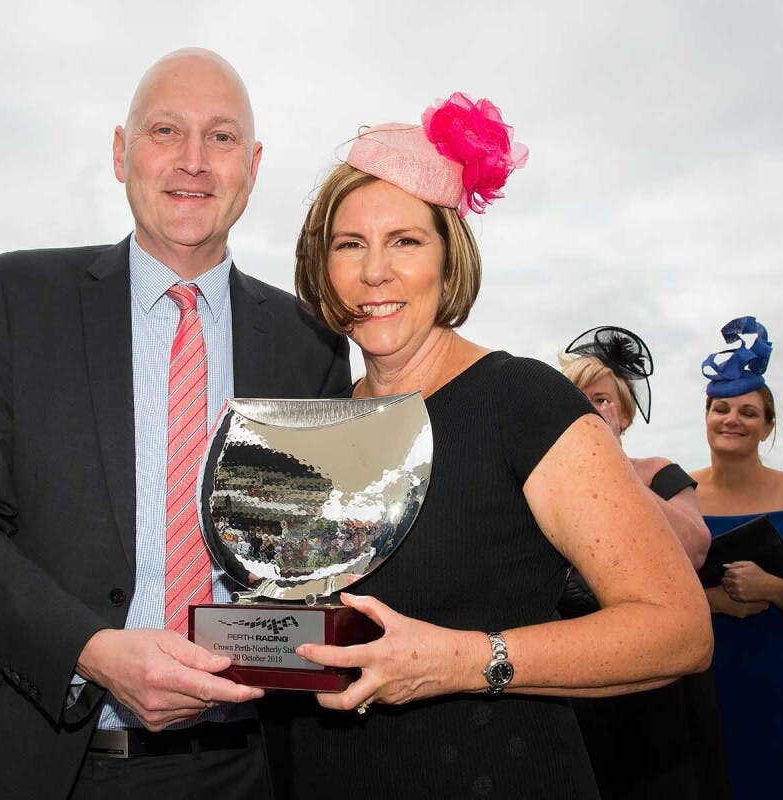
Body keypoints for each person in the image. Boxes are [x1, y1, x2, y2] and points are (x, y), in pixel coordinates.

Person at [0, 48, 350, 800]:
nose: (194, 162)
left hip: (243, 769)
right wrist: (91, 651)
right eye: (166, 131)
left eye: (223, 137)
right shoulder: (15, 298)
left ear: (255, 163)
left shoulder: (307, 342)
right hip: (37, 766)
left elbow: (315, 560)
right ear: (120, 152)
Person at [288, 92, 713, 799]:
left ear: (448, 262)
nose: (374, 272)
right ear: (322, 267)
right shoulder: (320, 425)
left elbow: (678, 630)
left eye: (405, 241)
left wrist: (459, 660)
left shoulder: (523, 401)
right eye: (350, 244)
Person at [559, 327, 729, 799]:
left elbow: (695, 547)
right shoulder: (543, 487)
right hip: (576, 683)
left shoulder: (656, 472)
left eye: (600, 400)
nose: (588, 410)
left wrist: (611, 468)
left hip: (658, 693)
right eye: (574, 399)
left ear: (626, 415)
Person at [690, 316, 783, 798]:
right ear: (707, 417)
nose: (731, 419)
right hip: (703, 686)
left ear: (768, 426)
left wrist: (776, 589)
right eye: (721, 408)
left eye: (748, 412)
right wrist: (713, 600)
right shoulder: (677, 497)